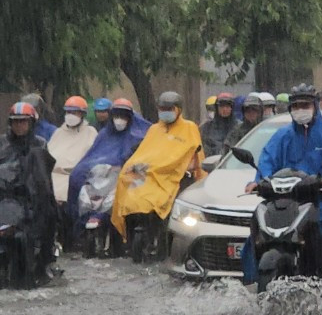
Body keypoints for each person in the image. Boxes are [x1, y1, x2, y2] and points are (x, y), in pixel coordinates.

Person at [241, 84, 322, 282]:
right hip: (286, 201)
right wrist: (259, 181)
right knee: (256, 236)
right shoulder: (282, 136)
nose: (300, 110)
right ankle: (250, 283)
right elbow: (267, 160)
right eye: (296, 106)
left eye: (305, 105)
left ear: (315, 106)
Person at [111, 91, 206, 246]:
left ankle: (161, 236)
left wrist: (177, 167)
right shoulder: (154, 129)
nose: (165, 112)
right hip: (150, 174)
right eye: (162, 109)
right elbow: (146, 153)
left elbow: (194, 153)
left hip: (174, 175)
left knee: (161, 198)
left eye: (169, 109)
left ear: (178, 110)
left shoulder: (189, 127)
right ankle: (131, 228)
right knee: (126, 181)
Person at [0, 101, 59, 275]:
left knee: (50, 213)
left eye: (23, 122)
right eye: (15, 121)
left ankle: (45, 258)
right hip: (7, 194)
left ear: (31, 123)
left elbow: (43, 173)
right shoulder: (2, 143)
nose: (19, 126)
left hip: (32, 196)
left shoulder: (40, 144)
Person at [68, 98, 151, 238]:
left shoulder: (138, 135)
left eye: (123, 116)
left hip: (126, 176)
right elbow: (93, 155)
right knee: (77, 176)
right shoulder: (104, 134)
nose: (119, 120)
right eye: (117, 116)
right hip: (101, 173)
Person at [48, 96, 100, 208]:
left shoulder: (90, 133)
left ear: (82, 114)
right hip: (53, 180)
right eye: (68, 112)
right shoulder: (58, 133)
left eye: (74, 112)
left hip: (76, 181)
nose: (70, 115)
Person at [200, 92, 237, 157]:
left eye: (227, 106)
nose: (225, 109)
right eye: (222, 106)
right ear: (217, 108)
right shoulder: (206, 128)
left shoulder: (238, 128)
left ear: (232, 108)